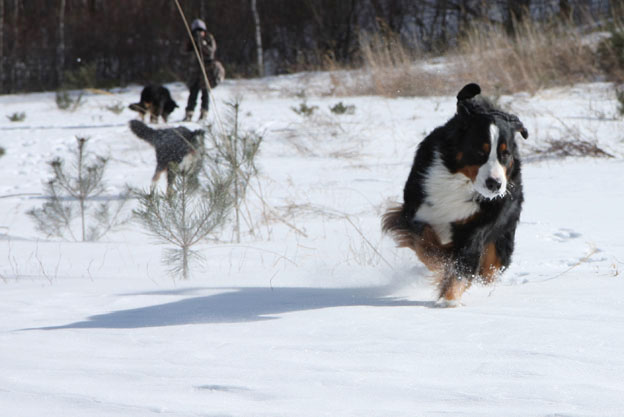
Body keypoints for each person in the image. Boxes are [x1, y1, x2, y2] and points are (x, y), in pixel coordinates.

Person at [183, 18, 225, 122]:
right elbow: (184, 50)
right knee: (193, 92)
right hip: (195, 70)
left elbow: (210, 52)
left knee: (205, 92)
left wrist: (201, 42)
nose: (198, 33)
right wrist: (192, 41)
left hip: (207, 69)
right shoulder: (192, 39)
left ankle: (204, 113)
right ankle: (189, 113)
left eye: (200, 30)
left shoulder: (209, 38)